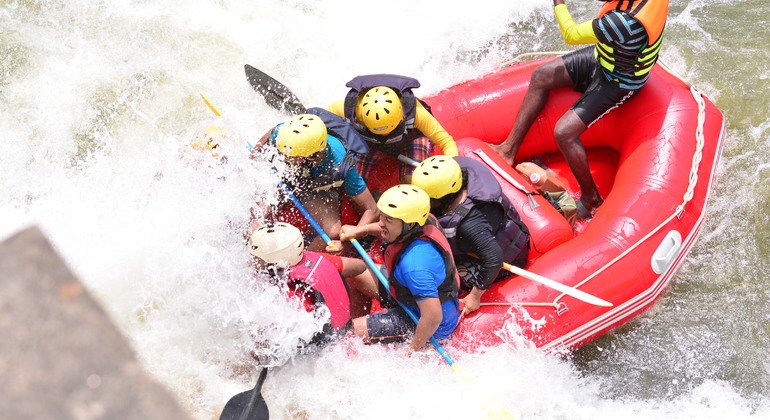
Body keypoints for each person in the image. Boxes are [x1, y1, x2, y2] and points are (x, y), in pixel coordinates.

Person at [492, 0, 669, 219]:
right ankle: (508, 150)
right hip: (602, 59)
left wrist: (559, 3)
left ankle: (591, 197)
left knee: (564, 132)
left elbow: (571, 35)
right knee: (541, 76)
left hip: (619, 81)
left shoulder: (621, 22)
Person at [343, 184, 461, 355]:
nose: (382, 223)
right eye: (382, 217)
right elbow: (387, 226)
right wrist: (361, 230)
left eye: (388, 220)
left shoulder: (415, 266)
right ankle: (361, 319)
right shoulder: (421, 218)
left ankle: (359, 326)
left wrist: (412, 349)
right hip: (407, 292)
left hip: (425, 320)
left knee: (348, 333)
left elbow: (433, 317)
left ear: (409, 223)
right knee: (355, 272)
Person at [411, 155, 530, 315]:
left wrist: (475, 296)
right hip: (480, 238)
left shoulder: (468, 224)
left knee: (443, 284)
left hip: (501, 258)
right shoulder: (456, 174)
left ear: (442, 198)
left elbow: (494, 258)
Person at [249, 109, 379, 253]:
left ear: (313, 155)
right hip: (284, 176)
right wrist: (253, 156)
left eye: (291, 155)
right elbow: (271, 133)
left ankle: (301, 262)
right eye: (283, 152)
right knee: (259, 213)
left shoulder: (339, 163)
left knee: (332, 232)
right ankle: (253, 251)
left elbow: (371, 209)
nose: (285, 157)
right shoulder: (284, 134)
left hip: (315, 188)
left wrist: (351, 239)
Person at [328, 75, 458, 183]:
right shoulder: (350, 109)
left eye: (389, 131)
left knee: (411, 179)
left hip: (411, 139)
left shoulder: (416, 112)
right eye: (381, 132)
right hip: (371, 144)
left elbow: (446, 142)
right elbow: (325, 118)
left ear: (401, 116)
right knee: (355, 180)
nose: (386, 135)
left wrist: (453, 171)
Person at [247, 222, 368, 338]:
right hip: (342, 330)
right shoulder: (317, 259)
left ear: (273, 261)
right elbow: (360, 266)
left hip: (321, 348)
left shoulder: (288, 291)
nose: (252, 260)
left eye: (256, 258)